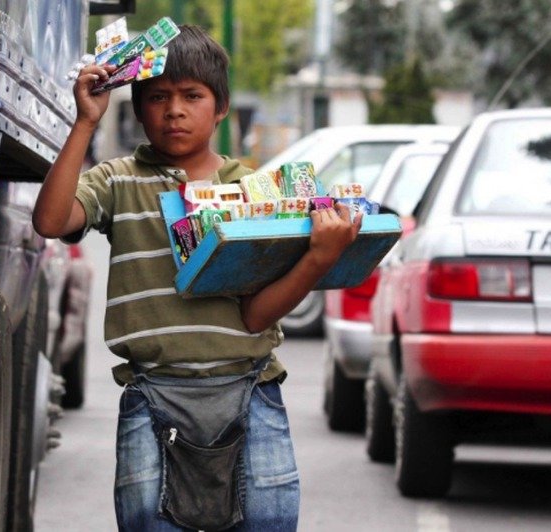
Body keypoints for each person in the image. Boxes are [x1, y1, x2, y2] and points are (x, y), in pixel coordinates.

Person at [33, 24, 362, 531]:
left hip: (250, 391)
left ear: (221, 106)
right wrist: (85, 124)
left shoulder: (253, 191)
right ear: (139, 107)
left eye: (193, 96)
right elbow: (51, 222)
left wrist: (318, 257)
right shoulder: (118, 180)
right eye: (159, 97)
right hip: (151, 394)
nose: (175, 111)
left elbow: (255, 316)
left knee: (270, 521)